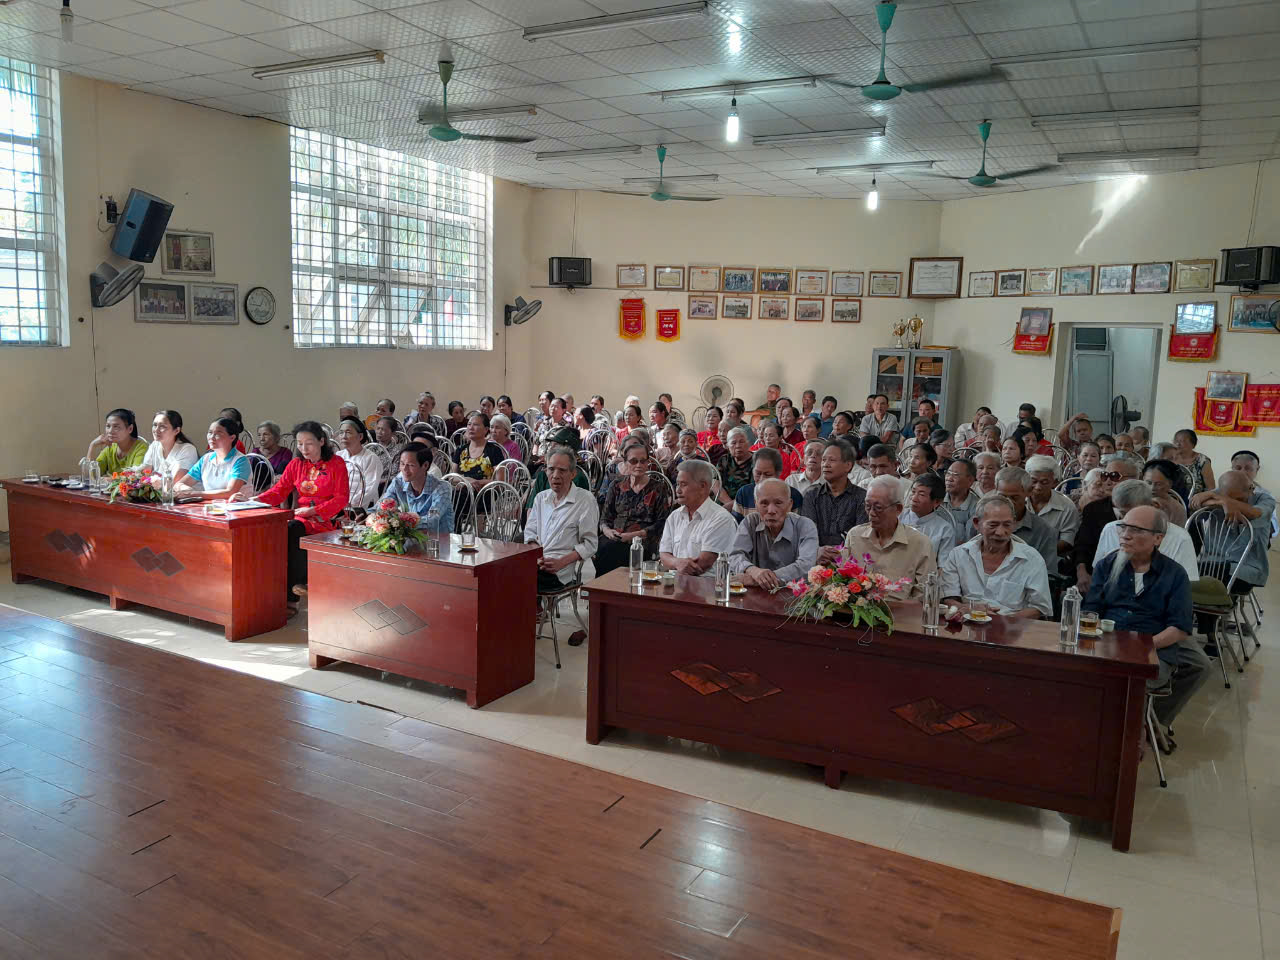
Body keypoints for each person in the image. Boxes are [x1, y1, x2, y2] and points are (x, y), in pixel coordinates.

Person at [1085, 505, 1206, 728]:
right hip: (1110, 644)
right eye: (1123, 527)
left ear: (1157, 538)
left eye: (1136, 530)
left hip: (1153, 648)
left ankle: (1146, 728)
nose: (1125, 535)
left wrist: (1144, 646)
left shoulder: (1174, 574)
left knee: (1132, 683)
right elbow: (1090, 612)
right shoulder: (1107, 566)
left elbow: (1179, 627)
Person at [252, 421, 350, 609]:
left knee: (291, 530)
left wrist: (313, 511)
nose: (303, 448)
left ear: (322, 441)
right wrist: (252, 501)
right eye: (299, 443)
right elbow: (279, 491)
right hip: (302, 517)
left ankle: (292, 597)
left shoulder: (336, 464)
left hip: (327, 519)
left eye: (309, 443)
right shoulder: (296, 464)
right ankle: (280, 588)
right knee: (278, 532)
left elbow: (341, 499)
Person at [524, 447, 599, 647]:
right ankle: (517, 629)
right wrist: (535, 552)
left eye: (562, 471)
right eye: (551, 469)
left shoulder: (584, 501)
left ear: (573, 474)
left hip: (562, 569)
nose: (555, 475)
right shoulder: (542, 498)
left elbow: (591, 544)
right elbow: (529, 532)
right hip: (538, 561)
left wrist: (560, 563)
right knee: (502, 574)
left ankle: (521, 627)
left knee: (516, 580)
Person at [940, 494, 1052, 618]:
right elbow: (948, 598)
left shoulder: (1031, 559)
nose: (1000, 532)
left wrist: (1005, 623)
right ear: (977, 523)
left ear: (1014, 524)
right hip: (966, 625)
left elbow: (1040, 607)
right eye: (993, 525)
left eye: (1007, 525)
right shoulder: (959, 554)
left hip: (1012, 629)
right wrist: (969, 609)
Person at [843, 476, 936, 601]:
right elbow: (843, 582)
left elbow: (925, 597)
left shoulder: (920, 544)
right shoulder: (855, 536)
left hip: (901, 616)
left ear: (898, 509)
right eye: (867, 506)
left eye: (878, 508)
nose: (871, 513)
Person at [1093, 480, 1199, 583]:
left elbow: (1187, 584)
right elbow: (1099, 576)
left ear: (1154, 506)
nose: (1128, 522)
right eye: (1122, 514)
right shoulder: (1110, 529)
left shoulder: (1180, 538)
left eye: (1134, 513)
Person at [597, 436, 673, 576]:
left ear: (648, 463)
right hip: (615, 536)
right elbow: (604, 518)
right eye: (633, 461)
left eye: (643, 461)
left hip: (643, 539)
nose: (639, 465)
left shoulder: (658, 488)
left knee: (615, 551)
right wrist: (607, 531)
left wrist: (633, 535)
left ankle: (615, 591)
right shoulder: (616, 486)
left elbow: (662, 523)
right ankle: (605, 591)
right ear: (625, 463)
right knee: (604, 546)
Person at [1190, 469, 1273, 593]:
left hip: (1246, 568)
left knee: (1209, 577)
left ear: (1251, 489)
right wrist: (1221, 500)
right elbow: (1193, 504)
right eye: (1228, 498)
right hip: (1210, 562)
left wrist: (1226, 501)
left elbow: (1254, 513)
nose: (1234, 503)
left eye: (1239, 499)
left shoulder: (1265, 499)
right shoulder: (1220, 493)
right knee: (1183, 571)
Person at [729, 478, 819, 589]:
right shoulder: (750, 522)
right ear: (756, 505)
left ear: (790, 505)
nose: (771, 510)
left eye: (778, 503)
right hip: (756, 596)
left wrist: (757, 579)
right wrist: (753, 571)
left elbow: (806, 566)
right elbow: (735, 556)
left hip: (793, 597)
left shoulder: (805, 525)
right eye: (764, 503)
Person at [1073, 453, 1142, 590]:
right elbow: (1082, 546)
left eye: (1115, 476)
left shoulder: (1144, 511)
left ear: (1134, 480)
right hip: (1098, 575)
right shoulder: (1093, 509)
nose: (1108, 482)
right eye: (1105, 476)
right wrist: (1082, 573)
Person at [659, 459, 737, 577]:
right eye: (677, 484)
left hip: (709, 587)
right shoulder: (675, 516)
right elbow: (664, 555)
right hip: (676, 582)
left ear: (703, 486)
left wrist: (675, 564)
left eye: (684, 484)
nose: (678, 490)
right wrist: (677, 563)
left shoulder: (721, 518)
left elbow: (703, 563)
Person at [802, 438, 868, 563]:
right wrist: (817, 551)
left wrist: (841, 554)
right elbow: (807, 534)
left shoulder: (862, 497)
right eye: (824, 460)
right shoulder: (811, 496)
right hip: (816, 561)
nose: (825, 464)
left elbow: (860, 537)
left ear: (848, 466)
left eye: (832, 460)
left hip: (851, 562)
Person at [994, 466, 1060, 573]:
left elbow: (1048, 574)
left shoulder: (1044, 531)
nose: (1008, 503)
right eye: (1002, 497)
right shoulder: (982, 522)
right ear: (995, 490)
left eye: (1014, 498)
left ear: (1028, 492)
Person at [384, 442, 453, 535]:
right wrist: (368, 515)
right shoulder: (398, 482)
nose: (404, 469)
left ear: (425, 465)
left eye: (411, 465)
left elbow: (432, 520)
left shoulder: (442, 488)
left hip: (437, 541)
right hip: (409, 538)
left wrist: (400, 520)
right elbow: (384, 504)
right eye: (402, 463)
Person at [174, 417, 252, 499]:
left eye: (218, 434)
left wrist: (193, 494)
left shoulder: (240, 461)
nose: (211, 437)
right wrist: (186, 489)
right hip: (211, 507)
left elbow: (230, 492)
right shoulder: (206, 459)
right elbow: (179, 484)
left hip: (237, 508)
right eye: (210, 432)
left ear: (232, 438)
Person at [1026, 454, 1080, 557]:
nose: (1038, 487)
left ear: (1054, 482)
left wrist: (1038, 553)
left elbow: (1067, 541)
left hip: (1051, 558)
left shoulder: (1067, 507)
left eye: (1044, 482)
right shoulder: (1018, 501)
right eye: (1033, 481)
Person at [901, 473, 956, 563]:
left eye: (921, 495)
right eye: (913, 492)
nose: (914, 498)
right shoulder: (898, 516)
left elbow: (943, 566)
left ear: (937, 502)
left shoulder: (945, 529)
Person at [734, 448, 804, 518]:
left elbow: (797, 525)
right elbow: (737, 525)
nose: (762, 479)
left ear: (778, 474)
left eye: (768, 475)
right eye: (758, 473)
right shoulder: (743, 494)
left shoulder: (793, 495)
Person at [335, 417, 382, 510]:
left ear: (360, 436)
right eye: (341, 432)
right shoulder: (338, 456)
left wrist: (350, 503)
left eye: (348, 432)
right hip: (338, 505)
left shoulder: (371, 458)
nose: (343, 436)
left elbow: (370, 488)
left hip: (360, 508)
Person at [454, 412, 506, 492]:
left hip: (486, 495)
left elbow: (500, 481)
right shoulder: (460, 450)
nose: (471, 428)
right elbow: (452, 477)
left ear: (486, 429)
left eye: (476, 425)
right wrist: (467, 480)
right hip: (462, 493)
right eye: (469, 424)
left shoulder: (494, 450)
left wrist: (477, 482)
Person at [141, 409, 197, 482]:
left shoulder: (188, 449)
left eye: (162, 426)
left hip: (180, 492)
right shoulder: (154, 445)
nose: (156, 430)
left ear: (176, 430)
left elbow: (175, 482)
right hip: (158, 492)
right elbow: (145, 474)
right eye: (155, 425)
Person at [87, 407, 147, 474]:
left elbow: (135, 477)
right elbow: (93, 475)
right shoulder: (110, 448)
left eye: (116, 427)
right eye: (108, 426)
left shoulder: (142, 448)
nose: (110, 431)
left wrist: (107, 479)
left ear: (130, 429)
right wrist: (92, 446)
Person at [715, 426, 755, 508]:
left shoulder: (756, 461)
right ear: (727, 446)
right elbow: (715, 483)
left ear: (748, 443)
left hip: (746, 506)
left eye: (741, 442)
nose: (738, 446)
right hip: (722, 505)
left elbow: (753, 491)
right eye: (733, 443)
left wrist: (732, 506)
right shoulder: (724, 460)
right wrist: (729, 504)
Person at [1142, 459, 1189, 527]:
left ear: (1170, 484)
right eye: (1148, 482)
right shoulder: (1135, 498)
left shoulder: (1176, 509)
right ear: (1143, 479)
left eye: (1159, 484)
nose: (1152, 488)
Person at [942, 459, 980, 538]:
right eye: (948, 473)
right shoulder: (937, 500)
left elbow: (970, 540)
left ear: (970, 480)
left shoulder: (977, 507)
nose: (949, 478)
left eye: (955, 475)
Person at [1172, 428, 1214, 497]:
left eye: (1182, 441)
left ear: (1193, 444)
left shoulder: (1202, 460)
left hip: (1195, 502)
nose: (1177, 444)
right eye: (1175, 441)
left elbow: (1211, 488)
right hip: (1172, 499)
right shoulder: (1169, 458)